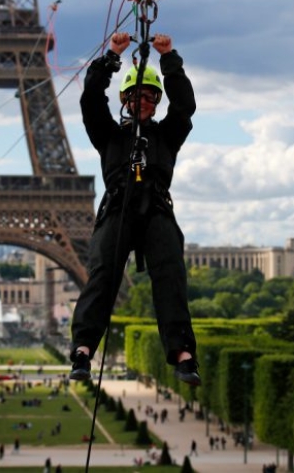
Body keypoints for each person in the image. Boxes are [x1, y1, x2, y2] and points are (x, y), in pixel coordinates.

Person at [69, 31, 200, 386]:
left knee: (170, 274)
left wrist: (169, 58)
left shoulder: (167, 136)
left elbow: (185, 107)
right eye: (136, 95)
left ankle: (183, 353)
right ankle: (83, 349)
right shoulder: (109, 136)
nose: (142, 101)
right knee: (103, 274)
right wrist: (112, 56)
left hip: (156, 208)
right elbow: (91, 101)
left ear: (155, 102)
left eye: (148, 96)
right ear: (125, 99)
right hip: (119, 208)